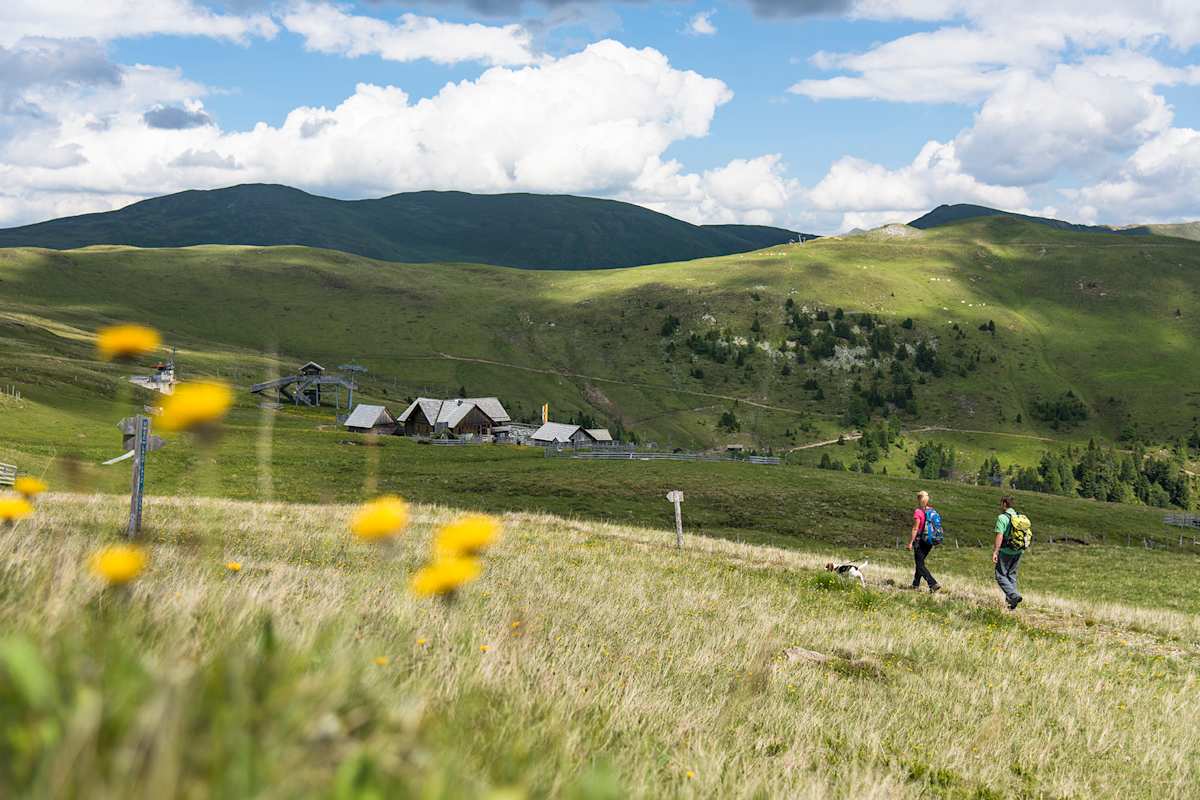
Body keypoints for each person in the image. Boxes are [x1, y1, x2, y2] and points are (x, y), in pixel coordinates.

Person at [993, 496, 1023, 610]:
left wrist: (996, 551)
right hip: (1018, 550)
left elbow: (999, 535)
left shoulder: (1002, 517)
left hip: (1006, 550)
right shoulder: (1018, 516)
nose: (1000, 506)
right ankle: (1011, 603)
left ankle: (1013, 595)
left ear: (1004, 504)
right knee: (1011, 575)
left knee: (1000, 575)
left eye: (1001, 503)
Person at [908, 490, 941, 593]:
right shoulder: (932, 511)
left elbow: (915, 528)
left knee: (919, 564)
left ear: (919, 499)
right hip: (929, 541)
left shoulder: (918, 512)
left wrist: (910, 542)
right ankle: (915, 584)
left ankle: (932, 583)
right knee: (920, 562)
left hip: (920, 541)